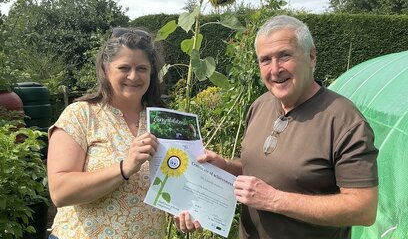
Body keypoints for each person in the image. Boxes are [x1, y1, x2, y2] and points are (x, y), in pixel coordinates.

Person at [175, 15, 379, 238]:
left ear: (311, 57)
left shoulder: (344, 121)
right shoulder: (260, 105)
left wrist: (273, 200)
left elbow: (363, 209)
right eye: (265, 60)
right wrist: (225, 167)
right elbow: (259, 168)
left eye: (285, 56)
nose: (274, 69)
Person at [47, 27, 167, 238]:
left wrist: (186, 209)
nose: (133, 76)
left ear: (151, 73)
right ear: (105, 69)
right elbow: (60, 192)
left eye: (142, 68)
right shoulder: (81, 115)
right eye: (124, 67)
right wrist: (125, 167)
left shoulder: (161, 121)